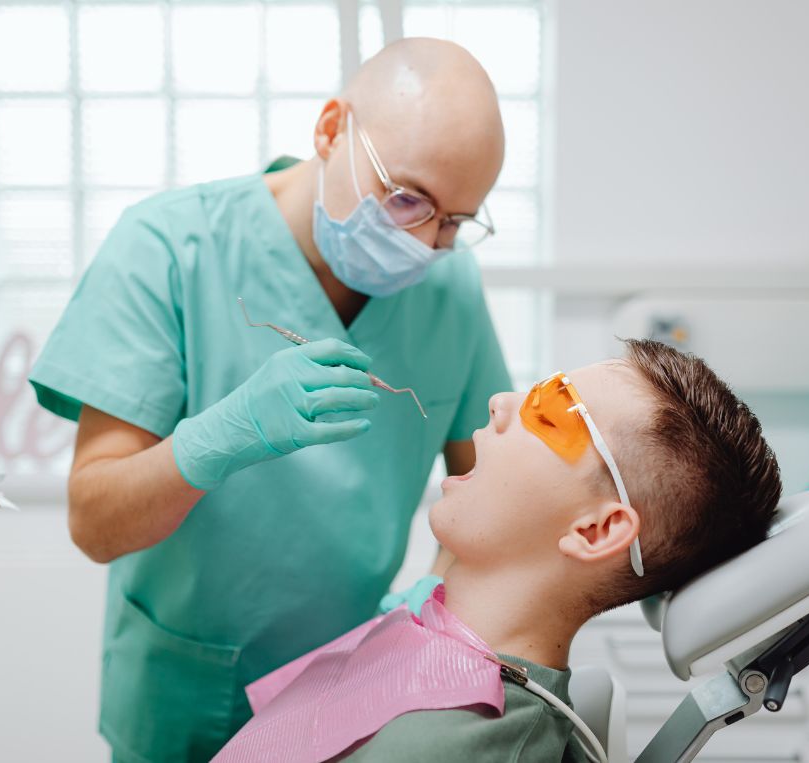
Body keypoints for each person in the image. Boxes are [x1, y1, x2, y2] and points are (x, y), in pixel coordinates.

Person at [28, 38, 510, 761]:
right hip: (186, 689)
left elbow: (494, 491)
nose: (424, 242)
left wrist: (431, 605)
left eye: (452, 223)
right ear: (329, 129)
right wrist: (214, 438)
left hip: (357, 684)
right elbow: (95, 521)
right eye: (407, 198)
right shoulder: (169, 246)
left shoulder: (449, 288)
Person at [214, 339, 784, 762]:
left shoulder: (452, 745)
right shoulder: (428, 636)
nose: (499, 403)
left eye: (550, 412)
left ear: (595, 531)